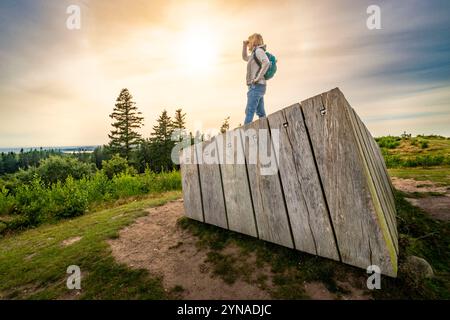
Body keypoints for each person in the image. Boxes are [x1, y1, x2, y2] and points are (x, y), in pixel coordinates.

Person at [242, 33, 270, 125]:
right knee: (261, 112)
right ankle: (265, 132)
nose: (248, 43)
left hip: (256, 86)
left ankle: (245, 135)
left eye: (249, 41)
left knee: (249, 111)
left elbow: (266, 63)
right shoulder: (255, 53)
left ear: (253, 41)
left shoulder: (258, 51)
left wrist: (258, 78)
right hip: (257, 86)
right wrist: (244, 46)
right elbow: (245, 57)